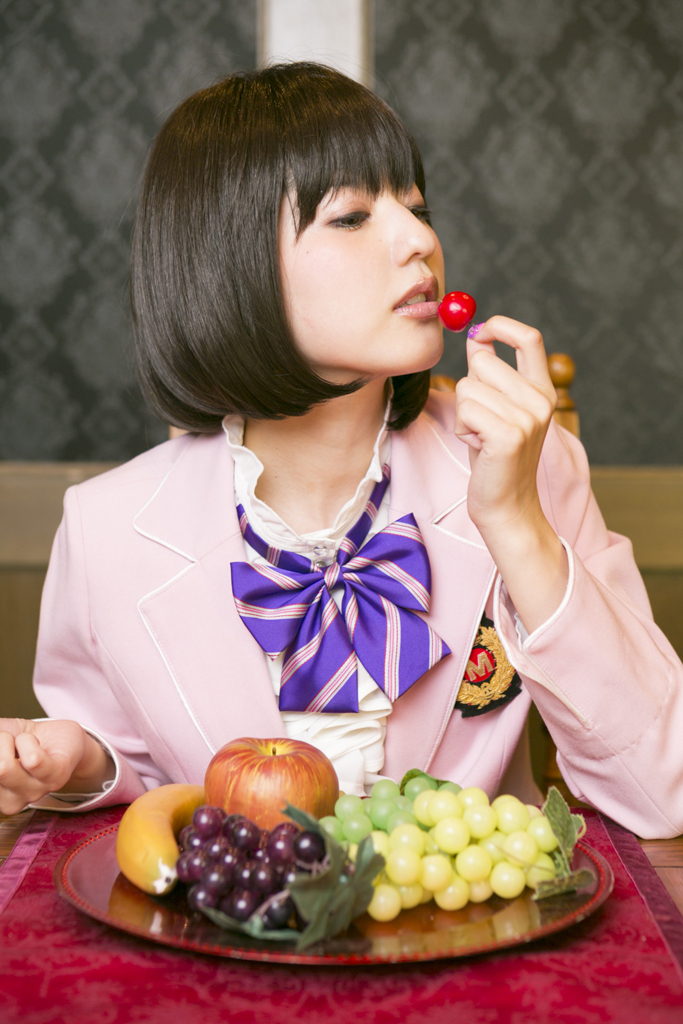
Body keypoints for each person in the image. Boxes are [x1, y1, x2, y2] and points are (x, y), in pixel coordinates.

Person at [0, 63, 681, 838]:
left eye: (417, 208)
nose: (421, 240)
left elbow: (663, 791)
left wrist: (515, 522)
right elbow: (143, 772)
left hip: (477, 914)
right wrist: (76, 763)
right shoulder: (106, 528)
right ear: (229, 263)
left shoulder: (529, 464)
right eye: (352, 216)